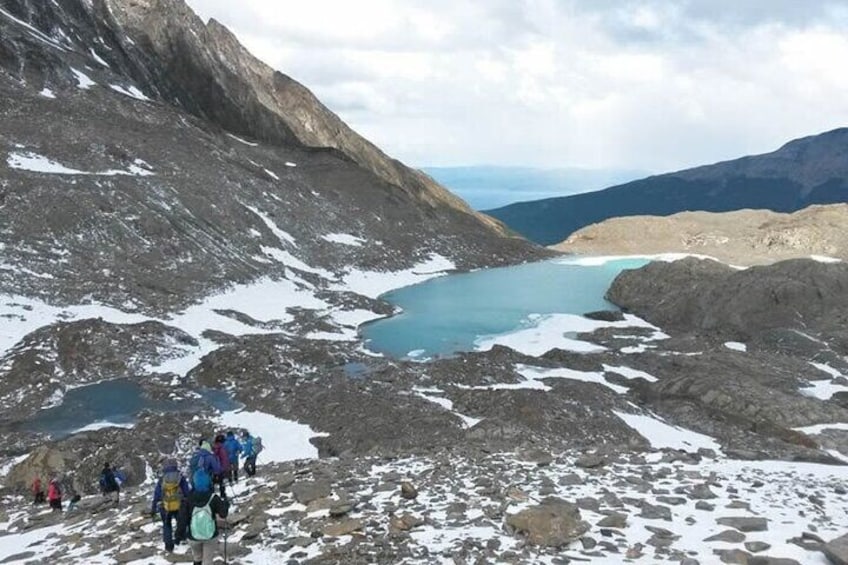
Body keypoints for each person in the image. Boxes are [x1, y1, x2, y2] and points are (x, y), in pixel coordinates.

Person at [175, 474, 230, 565]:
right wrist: (226, 504)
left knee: (197, 558)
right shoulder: (214, 498)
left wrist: (178, 536)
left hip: (193, 536)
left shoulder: (188, 499)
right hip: (210, 535)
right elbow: (223, 514)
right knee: (207, 561)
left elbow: (182, 520)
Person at [151, 458, 190, 553]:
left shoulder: (162, 479)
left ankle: (168, 545)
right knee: (180, 521)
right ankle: (182, 537)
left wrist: (153, 508)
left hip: (165, 506)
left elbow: (157, 495)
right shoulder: (180, 478)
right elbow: (186, 492)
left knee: (167, 524)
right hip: (179, 504)